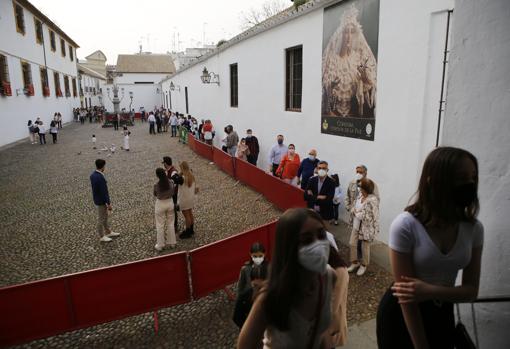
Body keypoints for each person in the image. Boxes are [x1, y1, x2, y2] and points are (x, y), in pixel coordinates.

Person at [376, 147, 484, 349]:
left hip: (442, 312)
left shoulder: (474, 229)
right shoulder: (405, 225)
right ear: (433, 180)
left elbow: (471, 291)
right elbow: (407, 298)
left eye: (473, 177)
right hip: (401, 316)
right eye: (461, 177)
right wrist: (421, 346)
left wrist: (429, 291)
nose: (469, 184)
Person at [237, 208, 337, 349]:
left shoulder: (329, 277)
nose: (318, 245)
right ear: (289, 247)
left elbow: (320, 328)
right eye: (307, 240)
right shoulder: (271, 297)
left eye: (321, 235)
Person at [346, 178, 379, 276]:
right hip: (356, 225)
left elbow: (367, 217)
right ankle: (355, 263)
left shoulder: (372, 200)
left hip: (366, 229)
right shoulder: (360, 195)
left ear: (366, 188)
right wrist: (356, 212)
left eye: (361, 186)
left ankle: (363, 265)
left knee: (365, 248)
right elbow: (354, 208)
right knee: (352, 243)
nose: (359, 188)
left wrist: (357, 213)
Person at [90, 159, 120, 242]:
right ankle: (102, 236)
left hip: (97, 199)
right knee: (101, 218)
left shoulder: (93, 175)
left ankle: (108, 231)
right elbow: (104, 191)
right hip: (101, 201)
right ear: (103, 166)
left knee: (105, 217)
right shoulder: (100, 177)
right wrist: (108, 203)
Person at [233, 264, 268, 330]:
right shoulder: (244, 297)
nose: (258, 290)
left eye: (261, 287)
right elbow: (236, 318)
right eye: (256, 286)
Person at [153, 168, 176, 251]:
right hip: (170, 202)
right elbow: (173, 192)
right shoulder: (171, 182)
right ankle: (172, 242)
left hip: (160, 203)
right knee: (170, 223)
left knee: (160, 225)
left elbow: (155, 194)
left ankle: (160, 245)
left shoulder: (156, 185)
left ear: (157, 175)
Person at [163, 157, 184, 232]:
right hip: (170, 194)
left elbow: (173, 183)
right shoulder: (169, 171)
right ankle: (173, 225)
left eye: (164, 163)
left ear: (165, 163)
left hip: (173, 194)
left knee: (173, 210)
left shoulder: (173, 172)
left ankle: (175, 226)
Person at [177, 161, 197, 239]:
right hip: (190, 198)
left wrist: (180, 173)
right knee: (190, 214)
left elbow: (175, 179)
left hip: (184, 199)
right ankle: (191, 229)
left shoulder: (182, 178)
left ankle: (187, 231)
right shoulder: (192, 176)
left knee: (186, 216)